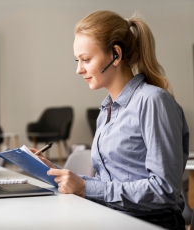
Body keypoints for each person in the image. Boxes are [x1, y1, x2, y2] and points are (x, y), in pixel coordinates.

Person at [30, 10, 189, 230]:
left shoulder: (153, 102)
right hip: (110, 217)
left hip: (149, 223)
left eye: (86, 59)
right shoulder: (106, 110)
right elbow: (110, 184)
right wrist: (53, 171)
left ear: (115, 54)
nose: (78, 69)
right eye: (78, 60)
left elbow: (165, 190)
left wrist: (86, 188)